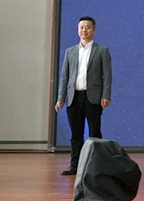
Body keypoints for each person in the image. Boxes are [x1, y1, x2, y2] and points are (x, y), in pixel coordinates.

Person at [55, 16, 112, 176]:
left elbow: (107, 76)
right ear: (78, 30)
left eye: (87, 27)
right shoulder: (70, 52)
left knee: (95, 133)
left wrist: (106, 95)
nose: (84, 30)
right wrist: (60, 98)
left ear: (93, 30)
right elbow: (64, 77)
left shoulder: (102, 50)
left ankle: (96, 167)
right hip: (74, 97)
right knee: (76, 134)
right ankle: (75, 166)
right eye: (81, 27)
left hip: (93, 97)